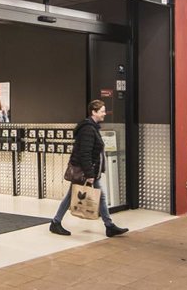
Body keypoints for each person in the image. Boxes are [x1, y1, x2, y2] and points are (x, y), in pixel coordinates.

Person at [49, 99, 129, 238]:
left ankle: (109, 226)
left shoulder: (93, 128)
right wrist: (89, 174)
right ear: (94, 112)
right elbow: (85, 153)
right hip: (85, 171)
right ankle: (56, 222)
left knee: (99, 196)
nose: (105, 113)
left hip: (90, 171)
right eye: (102, 111)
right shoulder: (88, 129)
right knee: (72, 196)